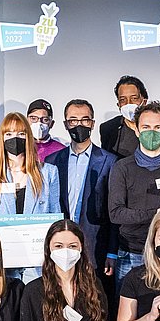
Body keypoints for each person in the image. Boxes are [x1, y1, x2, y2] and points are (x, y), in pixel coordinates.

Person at [0, 111, 61, 282]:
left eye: (21, 133)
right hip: (3, 260)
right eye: (9, 134)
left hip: (37, 263)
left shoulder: (48, 172)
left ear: (28, 137)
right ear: (2, 138)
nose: (15, 138)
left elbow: (55, 219)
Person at [107, 100, 160, 284]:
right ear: (136, 130)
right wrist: (157, 215)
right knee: (128, 310)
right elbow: (116, 214)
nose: (152, 132)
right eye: (146, 127)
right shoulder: (122, 168)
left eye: (158, 127)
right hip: (131, 253)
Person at [46, 99, 118, 278]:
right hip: (60, 247)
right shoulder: (52, 161)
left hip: (95, 246)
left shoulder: (110, 161)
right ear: (65, 124)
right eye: (73, 121)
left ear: (92, 124)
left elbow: (113, 211)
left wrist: (112, 251)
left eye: (85, 120)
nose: (79, 125)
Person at [99, 74, 160, 168]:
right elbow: (106, 166)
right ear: (118, 104)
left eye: (134, 98)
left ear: (144, 101)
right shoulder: (108, 128)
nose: (128, 103)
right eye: (123, 99)